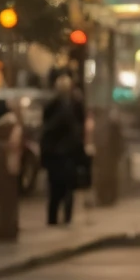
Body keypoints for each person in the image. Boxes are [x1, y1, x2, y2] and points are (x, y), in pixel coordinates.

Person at [37, 77, 86, 228]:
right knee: (65, 188)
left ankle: (55, 218)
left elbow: (46, 129)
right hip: (64, 153)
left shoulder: (57, 105)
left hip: (59, 154)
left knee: (57, 188)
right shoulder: (71, 105)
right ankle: (64, 218)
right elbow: (79, 129)